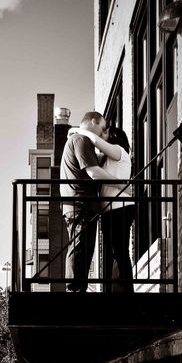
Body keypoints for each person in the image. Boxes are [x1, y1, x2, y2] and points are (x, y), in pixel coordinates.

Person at [74, 125, 134, 292]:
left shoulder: (119, 151)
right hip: (110, 211)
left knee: (120, 251)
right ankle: (116, 289)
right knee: (115, 252)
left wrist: (80, 131)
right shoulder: (107, 159)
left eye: (106, 133)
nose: (103, 136)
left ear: (114, 137)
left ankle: (126, 292)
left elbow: (94, 141)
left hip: (120, 208)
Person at [60, 111, 107, 292]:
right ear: (93, 121)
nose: (102, 134)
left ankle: (77, 287)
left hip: (76, 204)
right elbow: (93, 172)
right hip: (80, 204)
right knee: (81, 247)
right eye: (102, 129)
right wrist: (122, 184)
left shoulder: (74, 141)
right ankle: (75, 290)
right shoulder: (81, 140)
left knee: (82, 247)